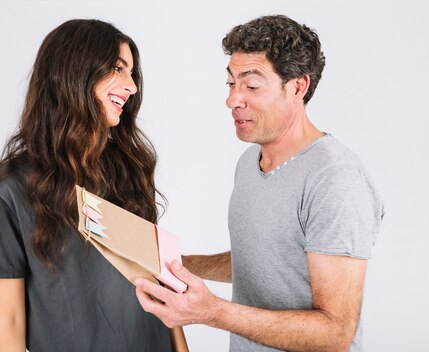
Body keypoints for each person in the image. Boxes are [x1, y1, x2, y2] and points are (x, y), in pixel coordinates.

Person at [135, 15, 384, 351]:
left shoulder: (335, 180)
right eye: (230, 84)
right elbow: (265, 262)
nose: (233, 100)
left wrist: (213, 312)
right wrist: (177, 265)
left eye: (251, 86)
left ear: (297, 87)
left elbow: (334, 333)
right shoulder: (249, 163)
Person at [0, 19, 186, 351]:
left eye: (131, 72)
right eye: (118, 68)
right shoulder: (11, 191)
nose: (132, 86)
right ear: (75, 74)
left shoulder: (131, 169)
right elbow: (9, 322)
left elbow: (162, 283)